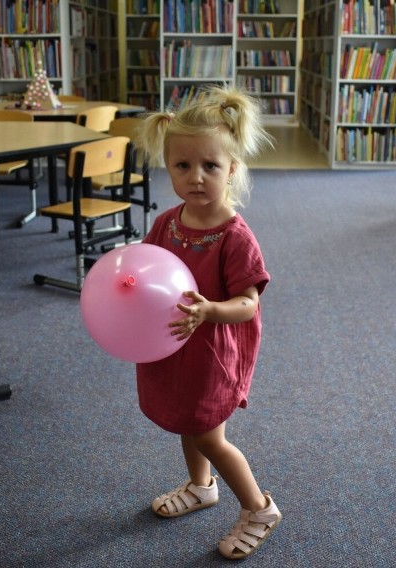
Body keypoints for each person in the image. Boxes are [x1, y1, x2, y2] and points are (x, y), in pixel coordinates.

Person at [135, 85, 280, 560]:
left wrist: (210, 311)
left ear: (232, 169)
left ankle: (258, 507)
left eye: (210, 166)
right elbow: (151, 269)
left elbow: (248, 304)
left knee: (209, 435)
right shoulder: (168, 222)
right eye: (182, 166)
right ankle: (201, 487)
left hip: (213, 353)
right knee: (187, 419)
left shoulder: (235, 235)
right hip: (176, 347)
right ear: (169, 166)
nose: (195, 177)